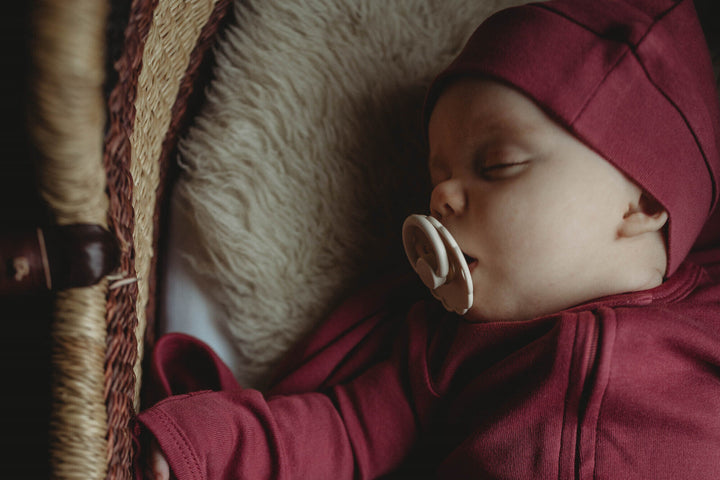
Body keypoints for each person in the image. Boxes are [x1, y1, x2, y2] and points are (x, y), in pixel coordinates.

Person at [135, 0, 720, 478]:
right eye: (438, 176)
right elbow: (339, 433)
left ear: (643, 199)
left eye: (497, 164)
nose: (441, 198)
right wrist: (207, 444)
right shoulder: (441, 353)